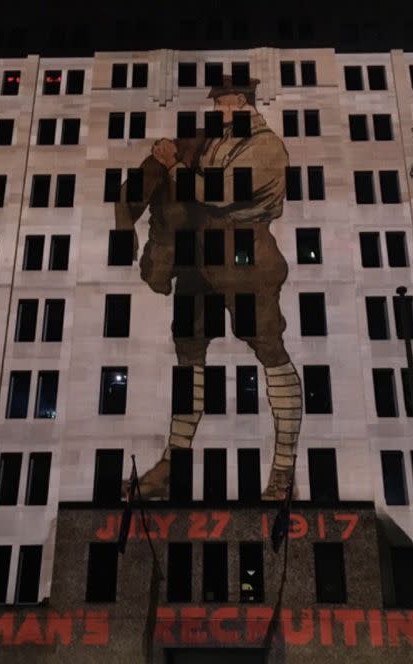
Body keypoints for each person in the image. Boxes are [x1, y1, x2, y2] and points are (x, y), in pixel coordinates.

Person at [120, 74, 300, 501]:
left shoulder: (267, 147)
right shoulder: (212, 139)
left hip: (246, 258)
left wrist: (174, 166)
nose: (218, 113)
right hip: (198, 259)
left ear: (244, 104)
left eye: (224, 106)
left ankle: (284, 470)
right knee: (189, 354)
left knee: (270, 352)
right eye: (216, 107)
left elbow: (214, 193)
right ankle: (172, 463)